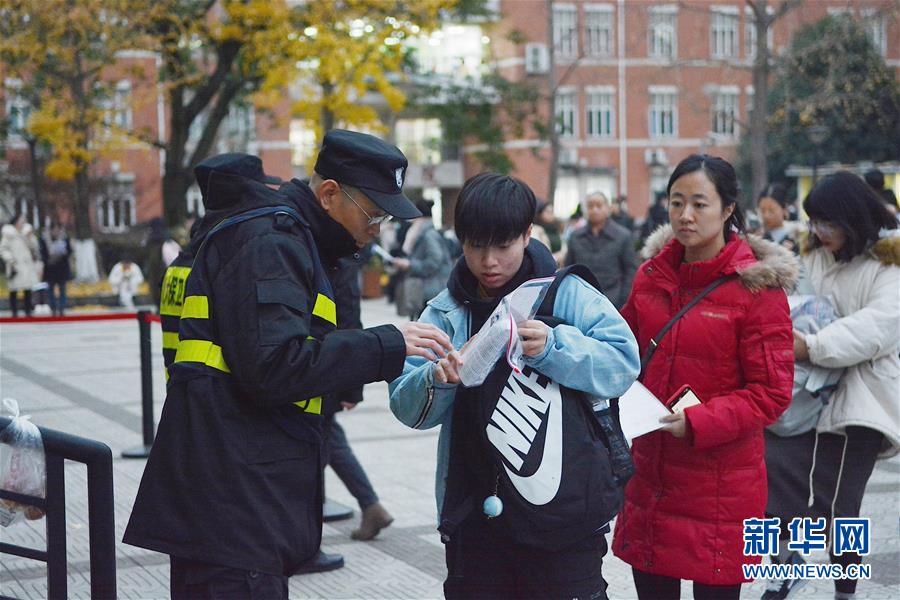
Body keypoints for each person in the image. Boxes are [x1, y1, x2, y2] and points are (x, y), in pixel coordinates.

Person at [124, 133, 452, 598]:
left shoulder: (291, 237)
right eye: (374, 213)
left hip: (241, 489)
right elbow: (274, 366)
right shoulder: (271, 242)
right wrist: (384, 345)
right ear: (330, 193)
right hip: (232, 501)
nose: (378, 228)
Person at [389, 173, 640, 599]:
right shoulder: (445, 312)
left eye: (502, 245)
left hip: (565, 513)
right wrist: (438, 377)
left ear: (527, 235)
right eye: (475, 246)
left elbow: (622, 364)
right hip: (475, 518)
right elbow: (407, 407)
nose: (489, 261)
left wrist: (554, 347)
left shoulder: (568, 294)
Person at [611, 154, 797, 600]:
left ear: (728, 209)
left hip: (721, 488)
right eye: (676, 203)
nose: (685, 216)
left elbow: (772, 393)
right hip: (651, 475)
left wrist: (699, 421)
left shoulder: (758, 291)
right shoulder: (650, 278)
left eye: (699, 203)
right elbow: (620, 352)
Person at [763, 172, 899, 600]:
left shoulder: (888, 264)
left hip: (860, 401)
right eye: (814, 222)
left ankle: (845, 588)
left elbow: (878, 328)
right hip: (802, 397)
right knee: (772, 490)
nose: (819, 232)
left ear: (853, 220)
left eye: (828, 223)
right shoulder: (813, 257)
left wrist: (812, 345)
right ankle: (783, 567)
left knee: (841, 509)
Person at [321, 256, 393, 543]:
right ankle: (371, 506)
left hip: (323, 364)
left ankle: (369, 506)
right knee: (329, 438)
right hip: (321, 362)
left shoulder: (339, 255)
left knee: (322, 441)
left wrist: (352, 386)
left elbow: (349, 318)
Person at [564, 191, 638, 308]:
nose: (594, 210)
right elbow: (569, 268)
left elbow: (630, 270)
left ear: (608, 209)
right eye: (590, 206)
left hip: (613, 298)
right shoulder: (575, 237)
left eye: (599, 206)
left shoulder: (623, 236)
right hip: (582, 300)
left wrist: (623, 299)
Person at [392, 198, 452, 319]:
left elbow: (434, 261)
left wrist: (410, 265)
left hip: (430, 290)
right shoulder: (424, 232)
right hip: (426, 290)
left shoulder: (428, 234)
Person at [1, 212, 41, 317]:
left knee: (28, 289)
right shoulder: (8, 234)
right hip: (15, 265)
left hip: (27, 265)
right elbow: (3, 249)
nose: (23, 222)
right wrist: (10, 259)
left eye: (24, 220)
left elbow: (34, 247)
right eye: (21, 219)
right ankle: (14, 312)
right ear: (16, 221)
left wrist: (30, 237)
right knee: (13, 290)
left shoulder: (27, 232)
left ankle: (28, 311)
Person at [38, 222, 72, 316]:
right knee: (50, 290)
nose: (56, 231)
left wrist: (63, 252)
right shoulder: (45, 239)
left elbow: (69, 251)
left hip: (62, 268)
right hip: (50, 269)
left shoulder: (64, 238)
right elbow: (42, 252)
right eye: (54, 229)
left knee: (62, 290)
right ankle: (53, 308)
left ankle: (61, 308)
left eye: (58, 229)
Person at [757, 183, 799, 254]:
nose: (766, 215)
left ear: (784, 209)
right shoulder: (757, 237)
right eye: (762, 211)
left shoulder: (797, 237)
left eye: (771, 210)